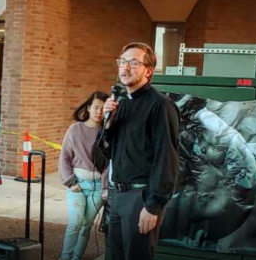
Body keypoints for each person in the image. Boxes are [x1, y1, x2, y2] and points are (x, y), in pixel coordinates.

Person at [100, 43, 180, 260]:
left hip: (141, 197)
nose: (126, 68)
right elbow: (105, 155)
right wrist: (107, 126)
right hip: (117, 195)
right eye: (122, 62)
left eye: (134, 63)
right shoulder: (121, 104)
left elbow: (167, 158)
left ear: (149, 70)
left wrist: (153, 206)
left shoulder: (160, 105)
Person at [59, 91, 110, 260]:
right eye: (96, 107)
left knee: (86, 225)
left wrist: (104, 188)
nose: (99, 112)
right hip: (77, 184)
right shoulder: (75, 129)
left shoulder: (107, 134)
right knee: (75, 222)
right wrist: (71, 182)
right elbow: (64, 157)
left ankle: (76, 257)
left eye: (103, 109)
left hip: (97, 188)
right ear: (88, 108)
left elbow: (109, 163)